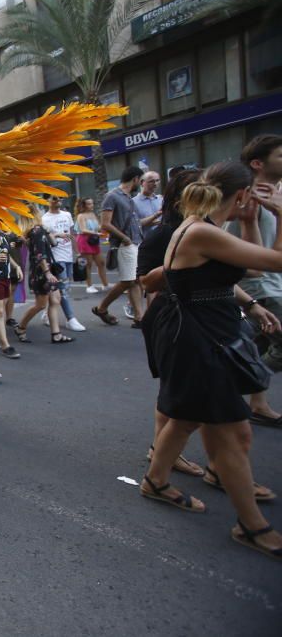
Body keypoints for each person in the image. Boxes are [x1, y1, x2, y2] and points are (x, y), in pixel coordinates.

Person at [142, 161, 282, 560]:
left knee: (187, 417)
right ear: (241, 195)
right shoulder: (200, 230)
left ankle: (155, 480)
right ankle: (252, 527)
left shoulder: (205, 227)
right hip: (199, 340)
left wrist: (252, 305)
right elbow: (275, 261)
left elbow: (246, 268)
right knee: (232, 434)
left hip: (205, 333)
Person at [137, 169, 208, 477]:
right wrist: (179, 264)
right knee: (175, 392)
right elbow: (146, 282)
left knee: (197, 397)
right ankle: (161, 457)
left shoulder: (209, 227)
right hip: (174, 318)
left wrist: (251, 305)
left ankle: (217, 465)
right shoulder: (166, 235)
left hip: (206, 318)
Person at [223, 134, 282, 428]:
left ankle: (246, 396)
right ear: (258, 163)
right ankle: (234, 389)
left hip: (271, 281)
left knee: (254, 345)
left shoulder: (274, 193)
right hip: (256, 284)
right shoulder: (248, 198)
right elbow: (254, 262)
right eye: (280, 156)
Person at [14, 206, 74, 345]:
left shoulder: (36, 230)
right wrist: (47, 273)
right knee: (41, 305)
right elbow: (40, 254)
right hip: (42, 271)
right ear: (35, 214)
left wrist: (54, 234)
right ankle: (21, 327)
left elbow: (51, 245)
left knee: (55, 300)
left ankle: (56, 334)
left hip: (42, 270)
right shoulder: (37, 231)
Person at [93, 166, 145, 327]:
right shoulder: (112, 196)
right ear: (135, 179)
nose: (141, 184)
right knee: (128, 281)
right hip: (124, 244)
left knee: (134, 281)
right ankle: (102, 308)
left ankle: (139, 317)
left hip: (135, 242)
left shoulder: (129, 197)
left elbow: (134, 222)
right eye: (141, 180)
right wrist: (125, 238)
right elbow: (105, 224)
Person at [40, 195, 86, 331]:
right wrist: (57, 236)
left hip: (68, 256)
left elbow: (73, 235)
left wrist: (78, 254)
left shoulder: (67, 215)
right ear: (47, 201)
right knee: (63, 289)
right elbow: (44, 240)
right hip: (55, 257)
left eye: (60, 198)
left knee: (64, 288)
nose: (58, 201)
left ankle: (47, 313)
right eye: (54, 198)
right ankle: (70, 319)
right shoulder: (44, 219)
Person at [75, 198, 109, 293]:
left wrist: (103, 229)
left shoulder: (93, 214)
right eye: (89, 204)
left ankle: (105, 284)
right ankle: (89, 286)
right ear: (84, 205)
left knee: (101, 262)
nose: (92, 205)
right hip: (84, 240)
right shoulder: (81, 216)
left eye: (92, 203)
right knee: (88, 264)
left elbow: (98, 226)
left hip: (93, 240)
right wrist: (96, 233)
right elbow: (83, 229)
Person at [134, 171, 164, 241]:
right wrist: (152, 218)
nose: (155, 184)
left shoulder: (161, 199)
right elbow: (133, 225)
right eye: (151, 181)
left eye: (157, 180)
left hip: (164, 240)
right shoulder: (133, 202)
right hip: (145, 242)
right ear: (142, 183)